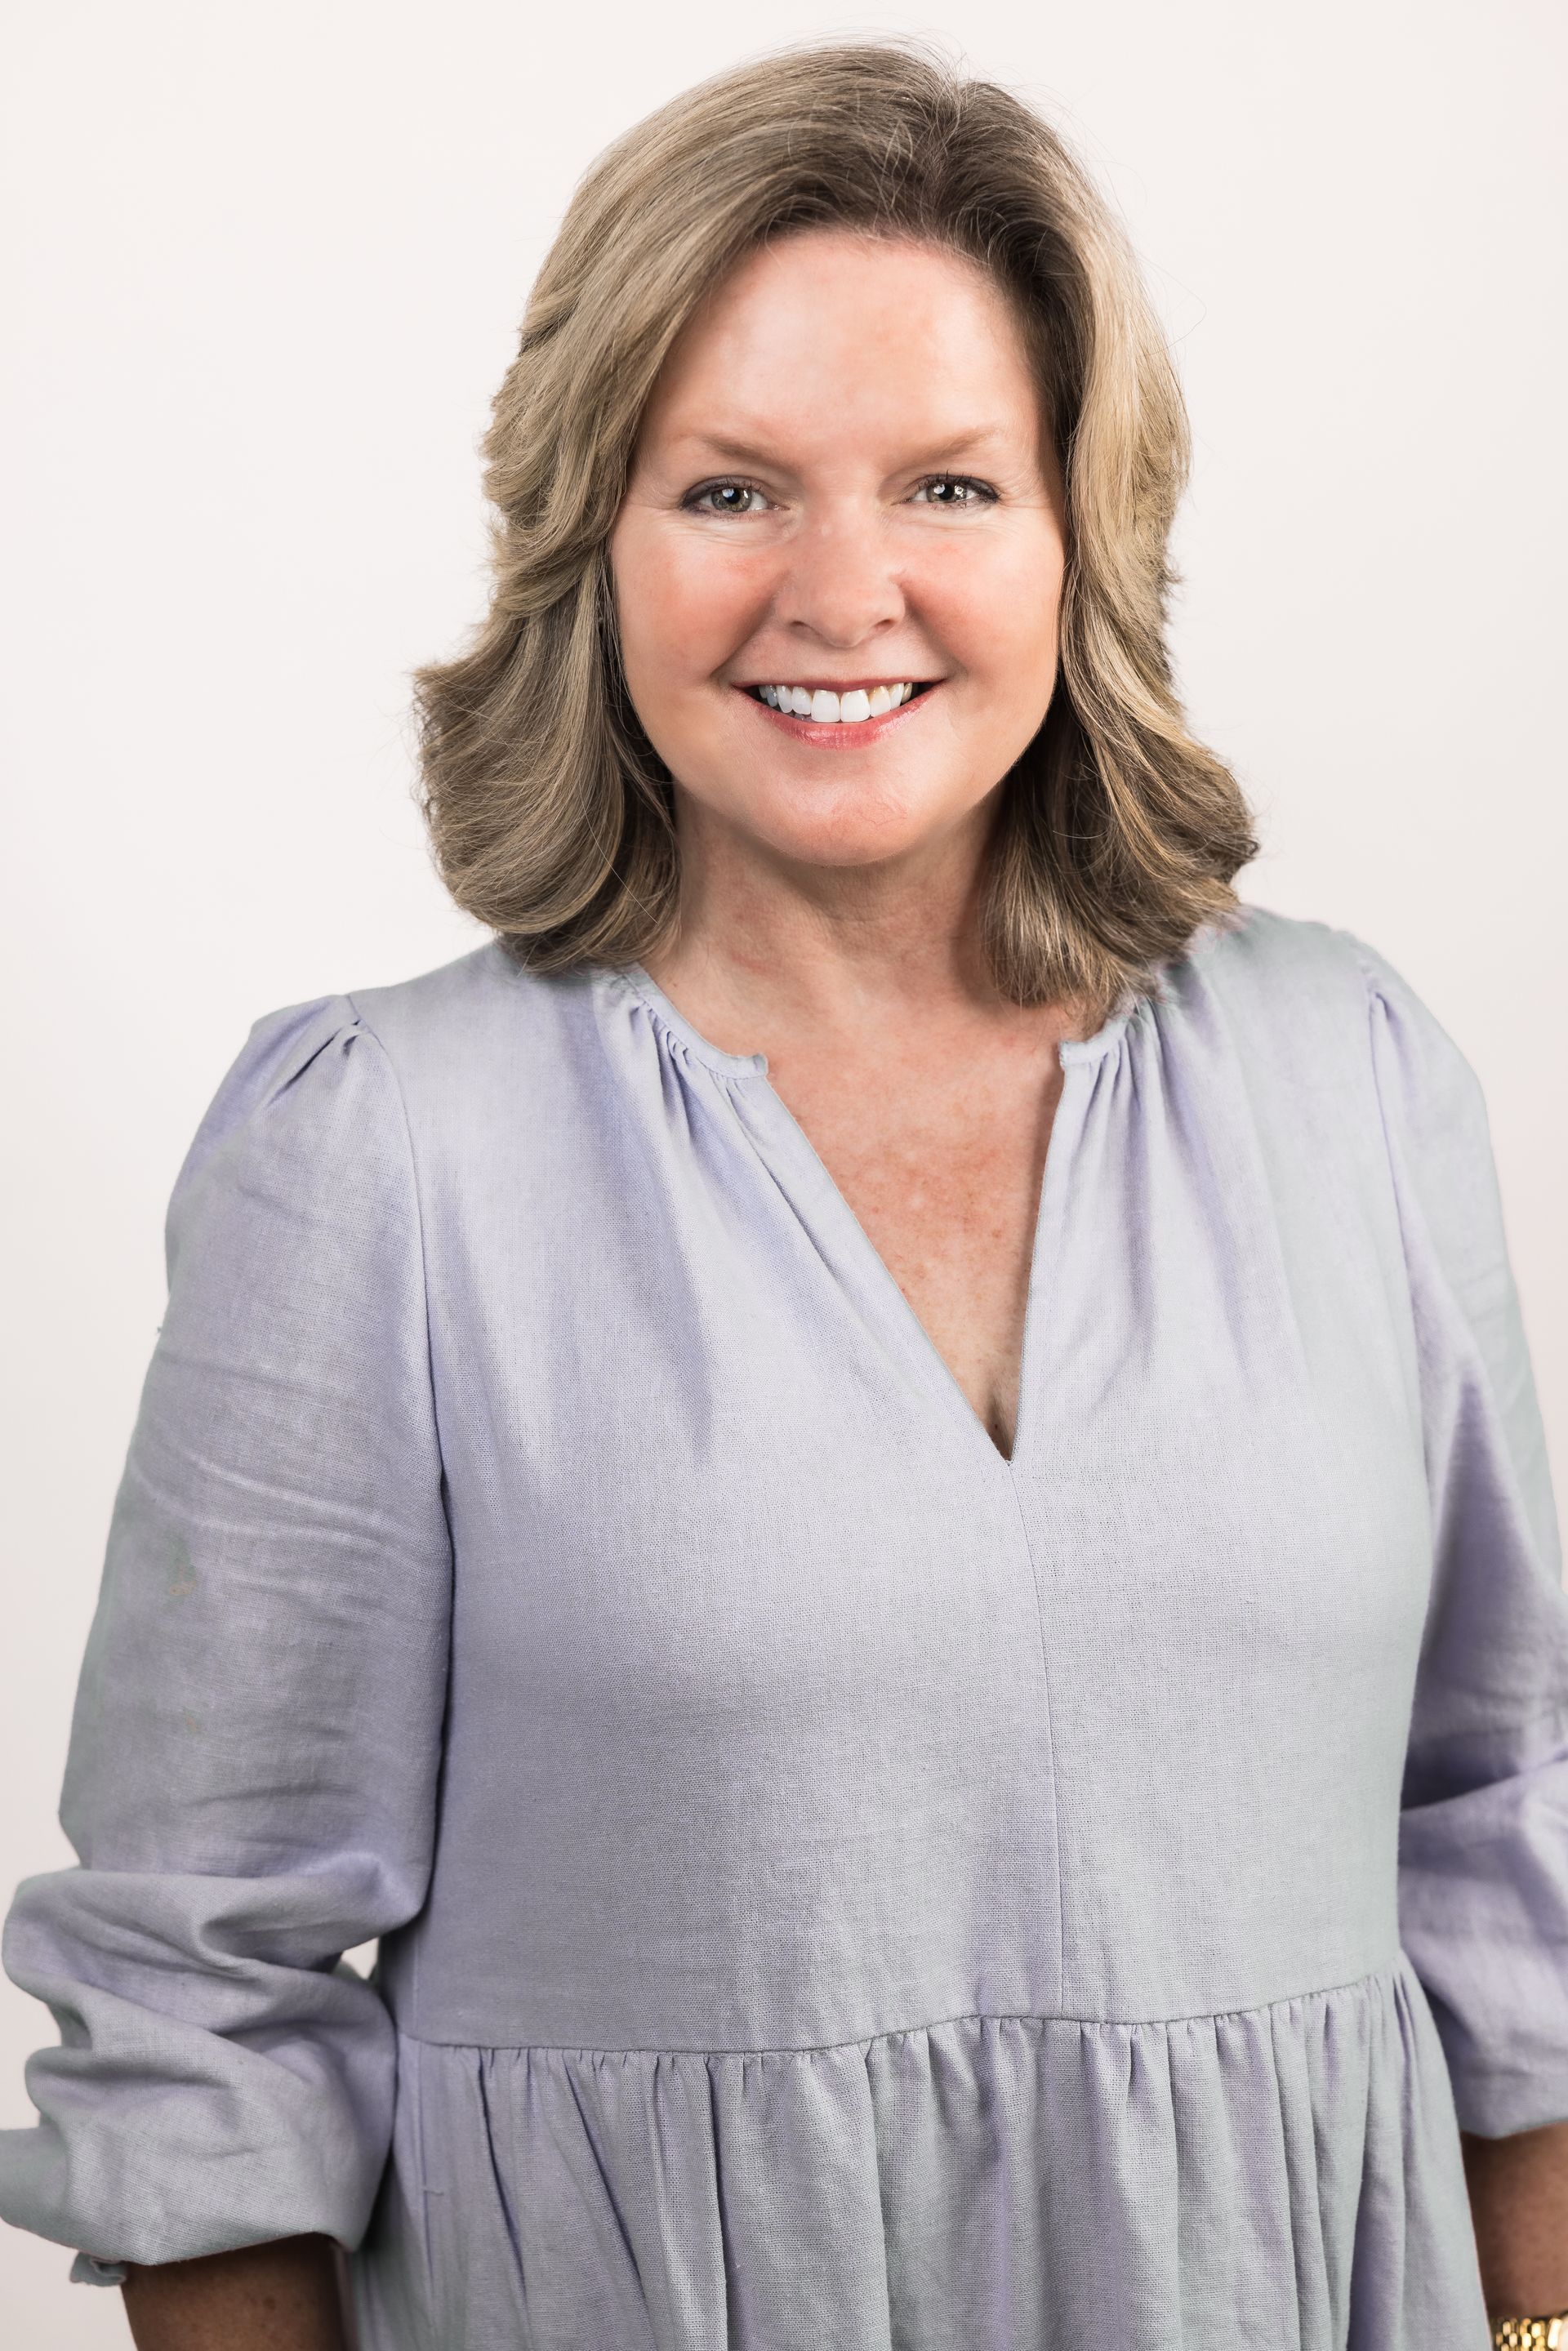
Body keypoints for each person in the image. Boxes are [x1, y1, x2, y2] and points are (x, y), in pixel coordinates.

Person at [2, 34, 1565, 2351]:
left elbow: (1502, 1821)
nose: (846, 593)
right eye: (732, 492)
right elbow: (199, 1998)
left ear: (1077, 535)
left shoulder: (1347, 1076)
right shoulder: (384, 1158)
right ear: (589, 541)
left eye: (948, 486)